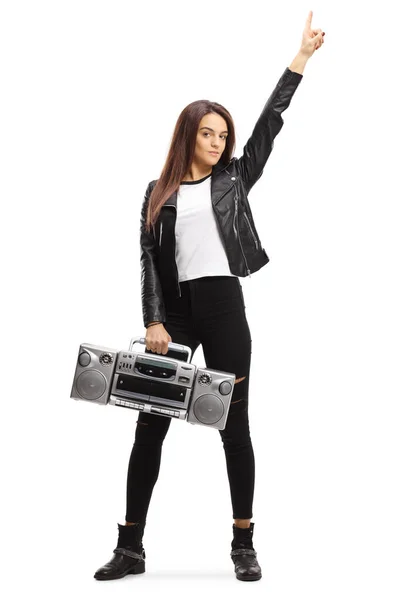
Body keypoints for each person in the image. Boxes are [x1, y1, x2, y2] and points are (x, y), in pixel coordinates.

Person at [94, 11, 325, 583]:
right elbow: (149, 260)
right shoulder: (158, 192)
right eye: (209, 133)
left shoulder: (236, 181)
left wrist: (299, 62)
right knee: (151, 424)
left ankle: (243, 541)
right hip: (172, 317)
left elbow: (271, 123)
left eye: (224, 135)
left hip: (224, 309)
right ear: (188, 135)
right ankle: (130, 547)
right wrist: (153, 320)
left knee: (234, 425)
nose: (220, 143)